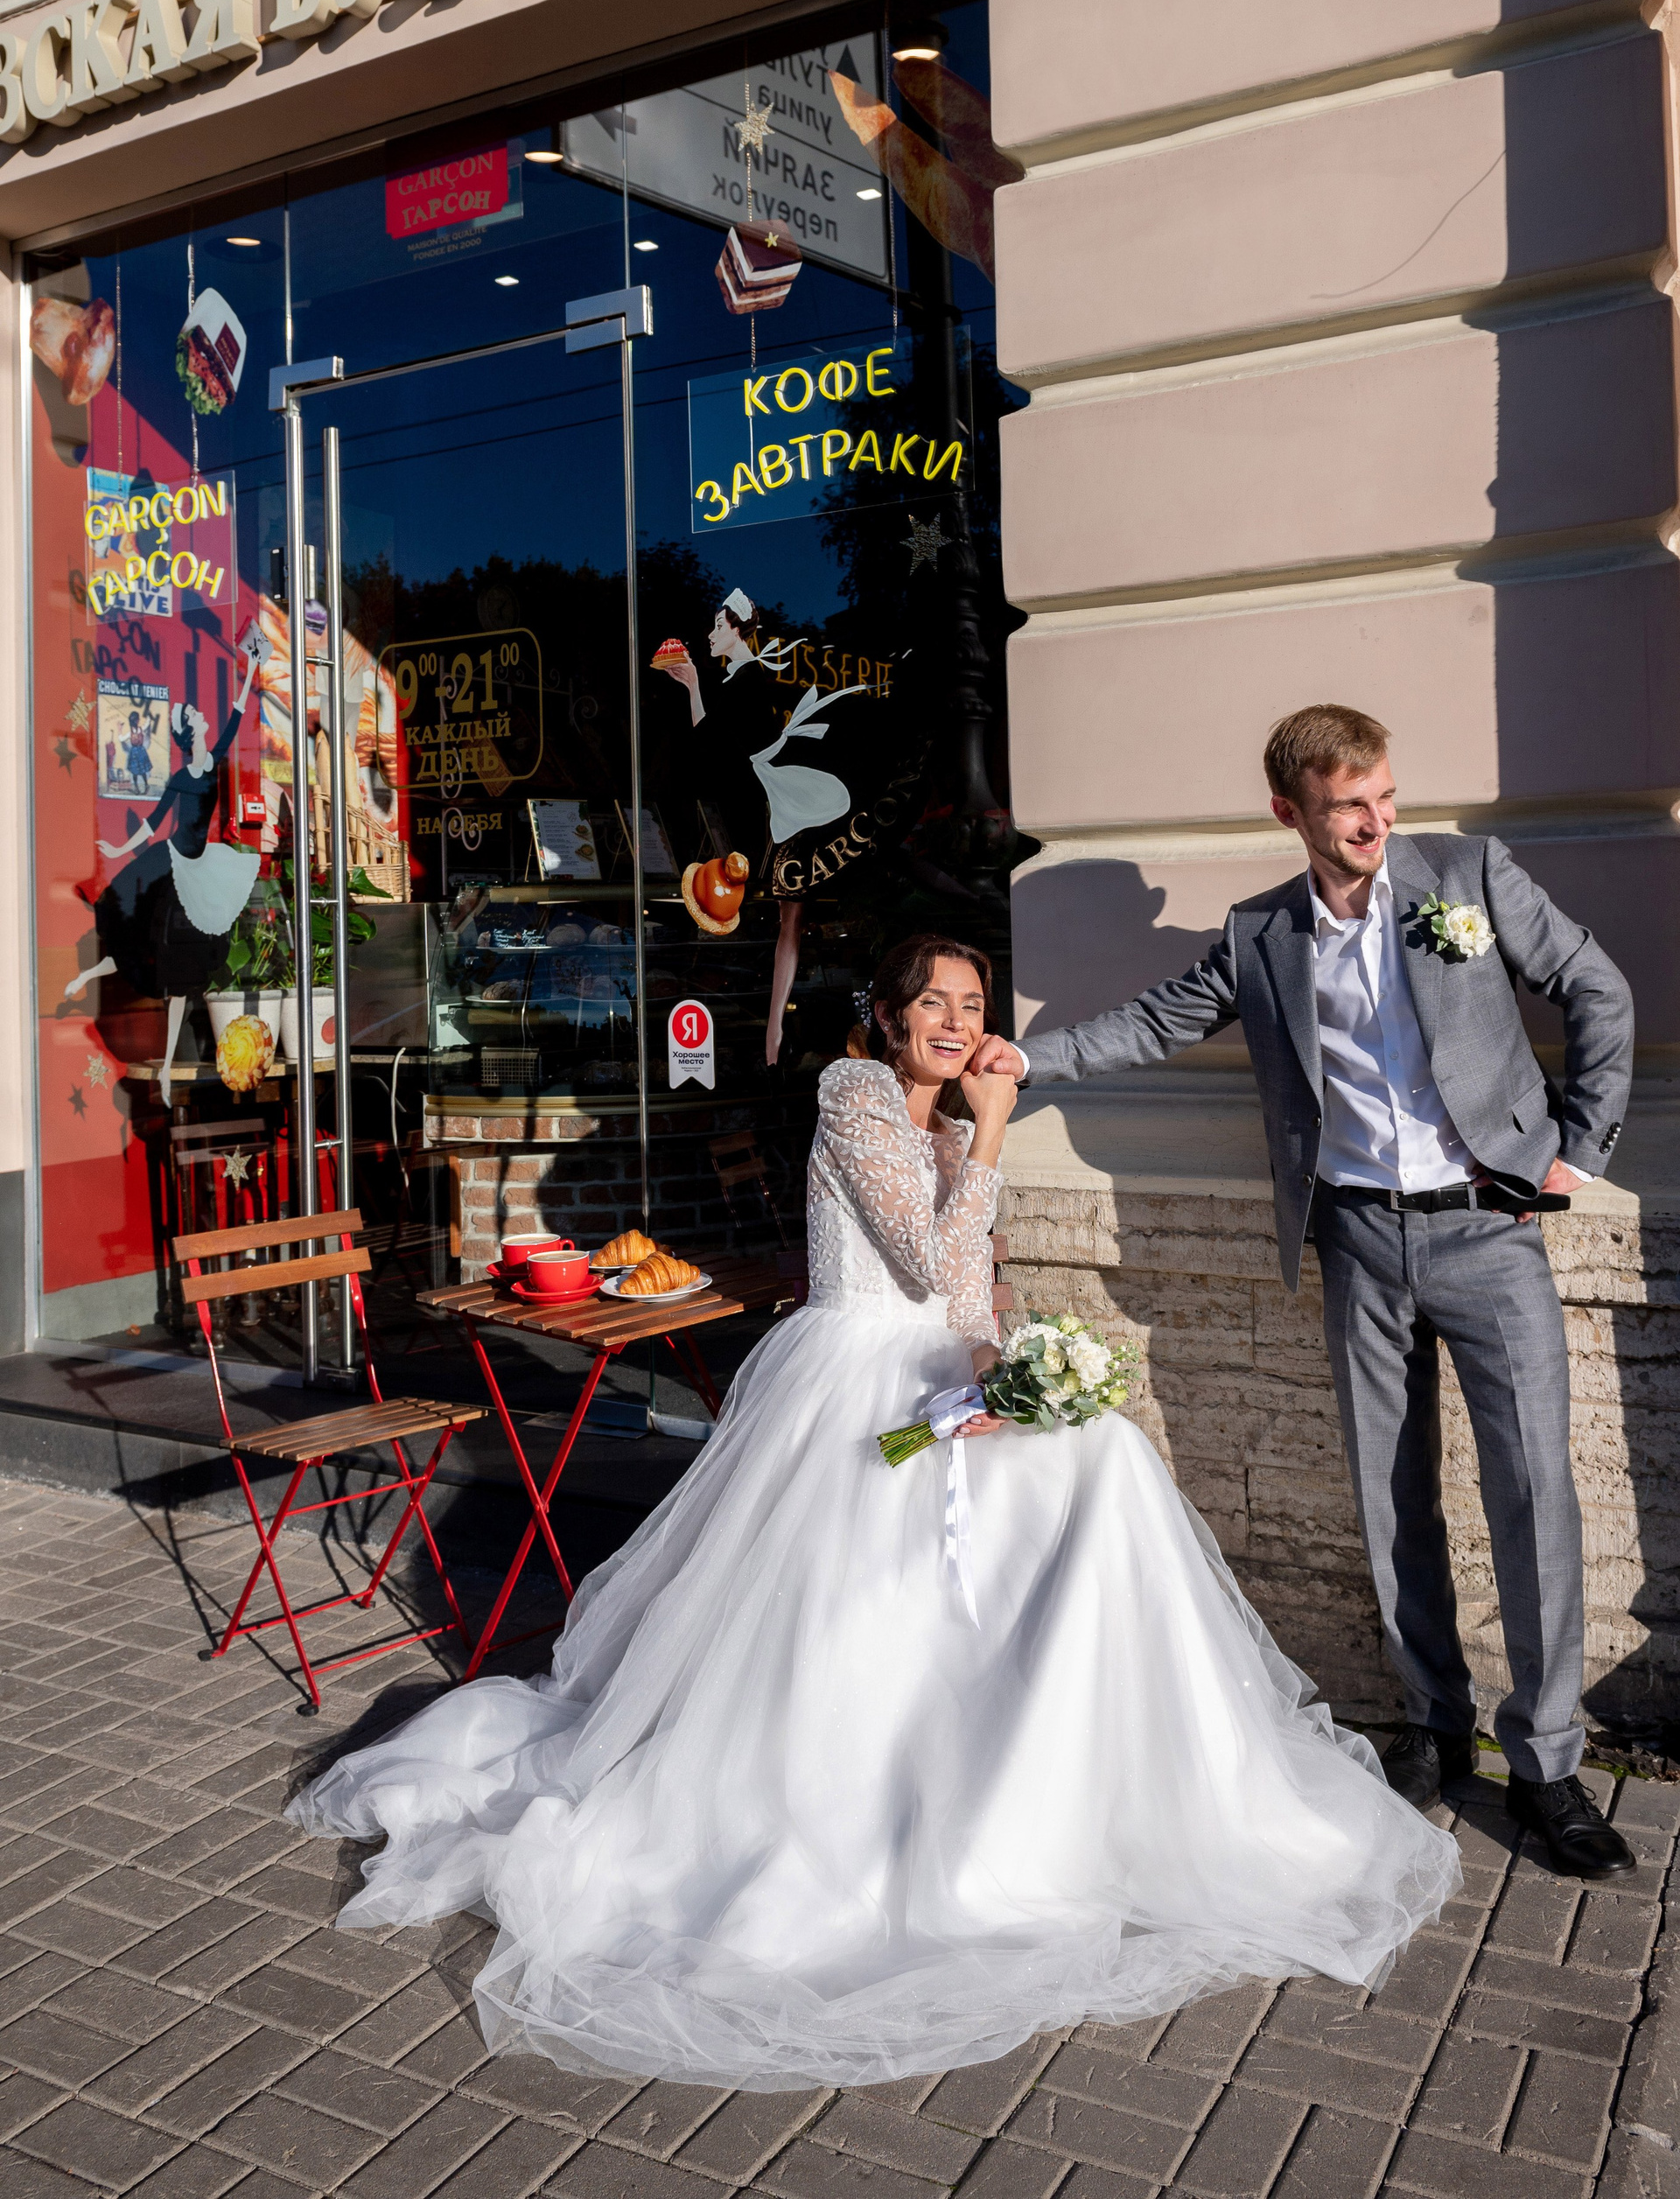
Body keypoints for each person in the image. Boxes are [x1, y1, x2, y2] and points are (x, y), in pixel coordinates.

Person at [288, 931, 1458, 2092]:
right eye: (934, 1002)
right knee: (873, 1601)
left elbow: (967, 1294)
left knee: (1105, 1463)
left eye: (974, 1004)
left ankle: (1100, 1787)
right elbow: (919, 1252)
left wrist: (1006, 1377)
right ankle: (871, 1806)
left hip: (942, 1375)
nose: (956, 1022)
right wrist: (994, 1127)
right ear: (891, 1017)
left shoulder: (947, 1126)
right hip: (853, 1386)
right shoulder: (852, 1095)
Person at [973, 704, 1636, 1880]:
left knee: (1535, 1490)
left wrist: (1577, 1149)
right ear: (1291, 812)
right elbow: (1156, 1020)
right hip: (1358, 1238)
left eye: (1383, 796)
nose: (1376, 821)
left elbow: (1598, 989)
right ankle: (1436, 1728)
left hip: (1488, 1229)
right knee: (1390, 1497)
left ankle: (1546, 1764)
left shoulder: (1469, 876)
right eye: (1348, 807)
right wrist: (1031, 1058)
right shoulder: (1262, 931)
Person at [663, 588, 871, 1065]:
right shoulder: (743, 677)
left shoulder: (748, 677)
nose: (711, 634)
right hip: (774, 790)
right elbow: (714, 743)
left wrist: (693, 684)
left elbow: (709, 744)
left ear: (737, 630)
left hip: (781, 789)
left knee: (790, 914)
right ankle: (775, 1031)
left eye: (718, 626)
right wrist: (694, 686)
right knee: (788, 915)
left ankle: (775, 1033)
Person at [66, 624, 263, 1103]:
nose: (202, 716)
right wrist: (118, 851)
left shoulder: (214, 762)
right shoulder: (180, 776)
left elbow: (237, 715)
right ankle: (86, 977)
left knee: (180, 977)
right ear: (189, 733)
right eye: (194, 716)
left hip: (200, 865)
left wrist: (253, 665)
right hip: (173, 864)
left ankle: (169, 1071)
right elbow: (154, 823)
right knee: (140, 942)